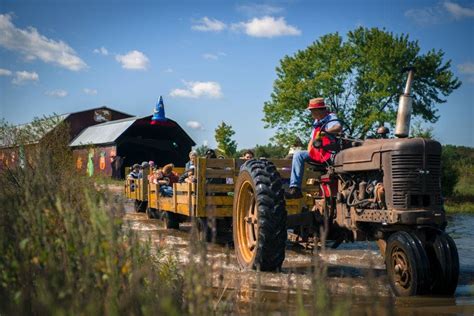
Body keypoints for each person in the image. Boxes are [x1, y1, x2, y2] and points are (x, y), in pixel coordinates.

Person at [285, 98, 341, 199]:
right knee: (298, 154)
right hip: (318, 152)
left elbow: (338, 127)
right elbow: (312, 139)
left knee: (337, 157)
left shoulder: (331, 117)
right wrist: (310, 149)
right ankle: (295, 188)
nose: (311, 113)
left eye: (312, 111)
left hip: (330, 152)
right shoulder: (317, 121)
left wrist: (325, 132)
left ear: (319, 110)